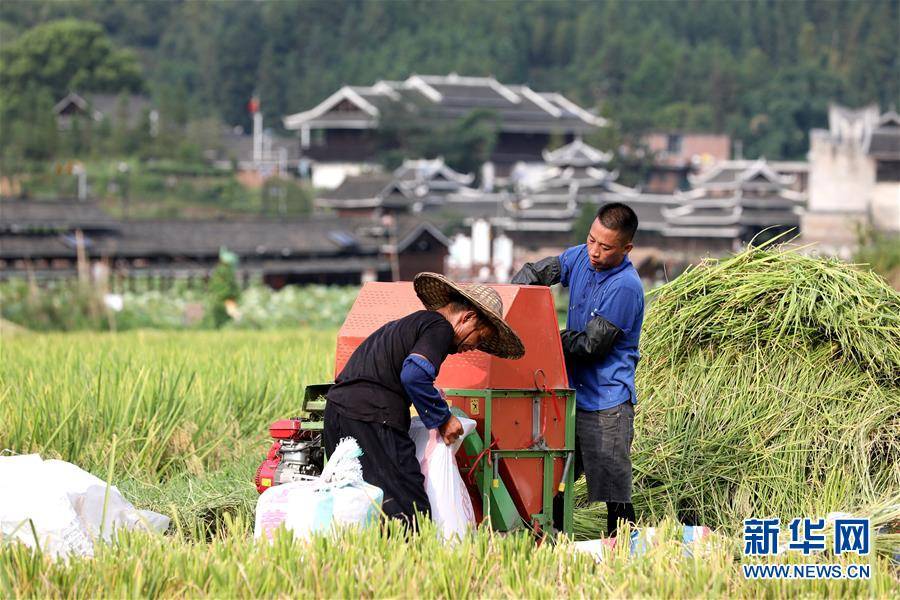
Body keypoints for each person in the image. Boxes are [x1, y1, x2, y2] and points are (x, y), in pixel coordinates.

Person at [324, 272, 525, 527]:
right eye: (480, 337)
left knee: (356, 498)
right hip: (373, 417)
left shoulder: (410, 325)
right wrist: (444, 418)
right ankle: (408, 561)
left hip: (338, 414)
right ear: (468, 317)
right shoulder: (438, 326)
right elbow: (415, 374)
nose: (474, 346)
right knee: (407, 504)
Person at [511, 202, 644, 537]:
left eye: (606, 246)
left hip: (607, 402)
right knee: (555, 478)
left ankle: (622, 549)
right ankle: (549, 539)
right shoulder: (581, 257)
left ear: (626, 248)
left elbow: (590, 346)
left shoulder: (625, 287)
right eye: (591, 240)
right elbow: (538, 272)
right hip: (570, 396)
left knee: (612, 487)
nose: (595, 252)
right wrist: (510, 303)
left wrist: (545, 337)